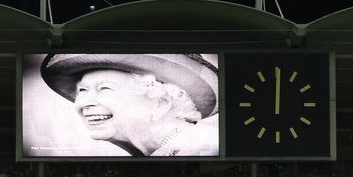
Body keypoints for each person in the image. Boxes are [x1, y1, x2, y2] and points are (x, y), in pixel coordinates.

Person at [39, 53, 220, 157]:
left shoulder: (206, 146)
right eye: (82, 91)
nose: (83, 103)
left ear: (161, 103)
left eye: (105, 88)